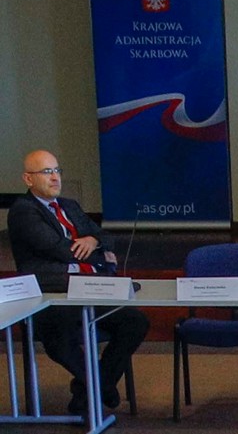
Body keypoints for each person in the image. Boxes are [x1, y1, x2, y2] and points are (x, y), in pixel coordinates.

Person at [6, 150, 150, 416]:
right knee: (59, 336)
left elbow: (106, 238)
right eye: (46, 172)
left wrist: (93, 241)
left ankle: (88, 390)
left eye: (57, 171)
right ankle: (102, 387)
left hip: (90, 290)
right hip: (52, 296)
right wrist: (99, 254)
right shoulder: (24, 211)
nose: (55, 177)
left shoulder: (69, 206)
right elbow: (60, 250)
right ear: (28, 179)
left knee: (135, 321)